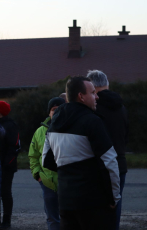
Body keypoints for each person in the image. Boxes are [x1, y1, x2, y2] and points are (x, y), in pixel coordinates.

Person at [42, 76, 120, 230]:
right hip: (93, 202)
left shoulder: (54, 124)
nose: (97, 96)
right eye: (92, 93)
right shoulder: (92, 121)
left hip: (66, 201)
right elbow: (110, 163)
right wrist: (114, 198)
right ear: (81, 96)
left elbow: (46, 160)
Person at [86, 70, 128, 230]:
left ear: (92, 87)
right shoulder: (121, 107)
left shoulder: (92, 108)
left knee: (96, 214)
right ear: (107, 84)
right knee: (115, 208)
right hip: (120, 163)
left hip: (98, 165)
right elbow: (125, 136)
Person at [28, 97, 65, 230]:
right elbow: (33, 155)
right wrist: (38, 175)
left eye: (59, 109)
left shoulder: (72, 127)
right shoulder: (39, 132)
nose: (56, 112)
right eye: (53, 109)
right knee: (52, 217)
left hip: (67, 181)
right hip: (47, 181)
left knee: (69, 217)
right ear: (49, 112)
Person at [0, 101, 20, 230]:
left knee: (5, 192)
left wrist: (7, 163)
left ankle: (6, 220)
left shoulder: (10, 126)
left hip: (6, 166)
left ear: (1, 112)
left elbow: (14, 146)